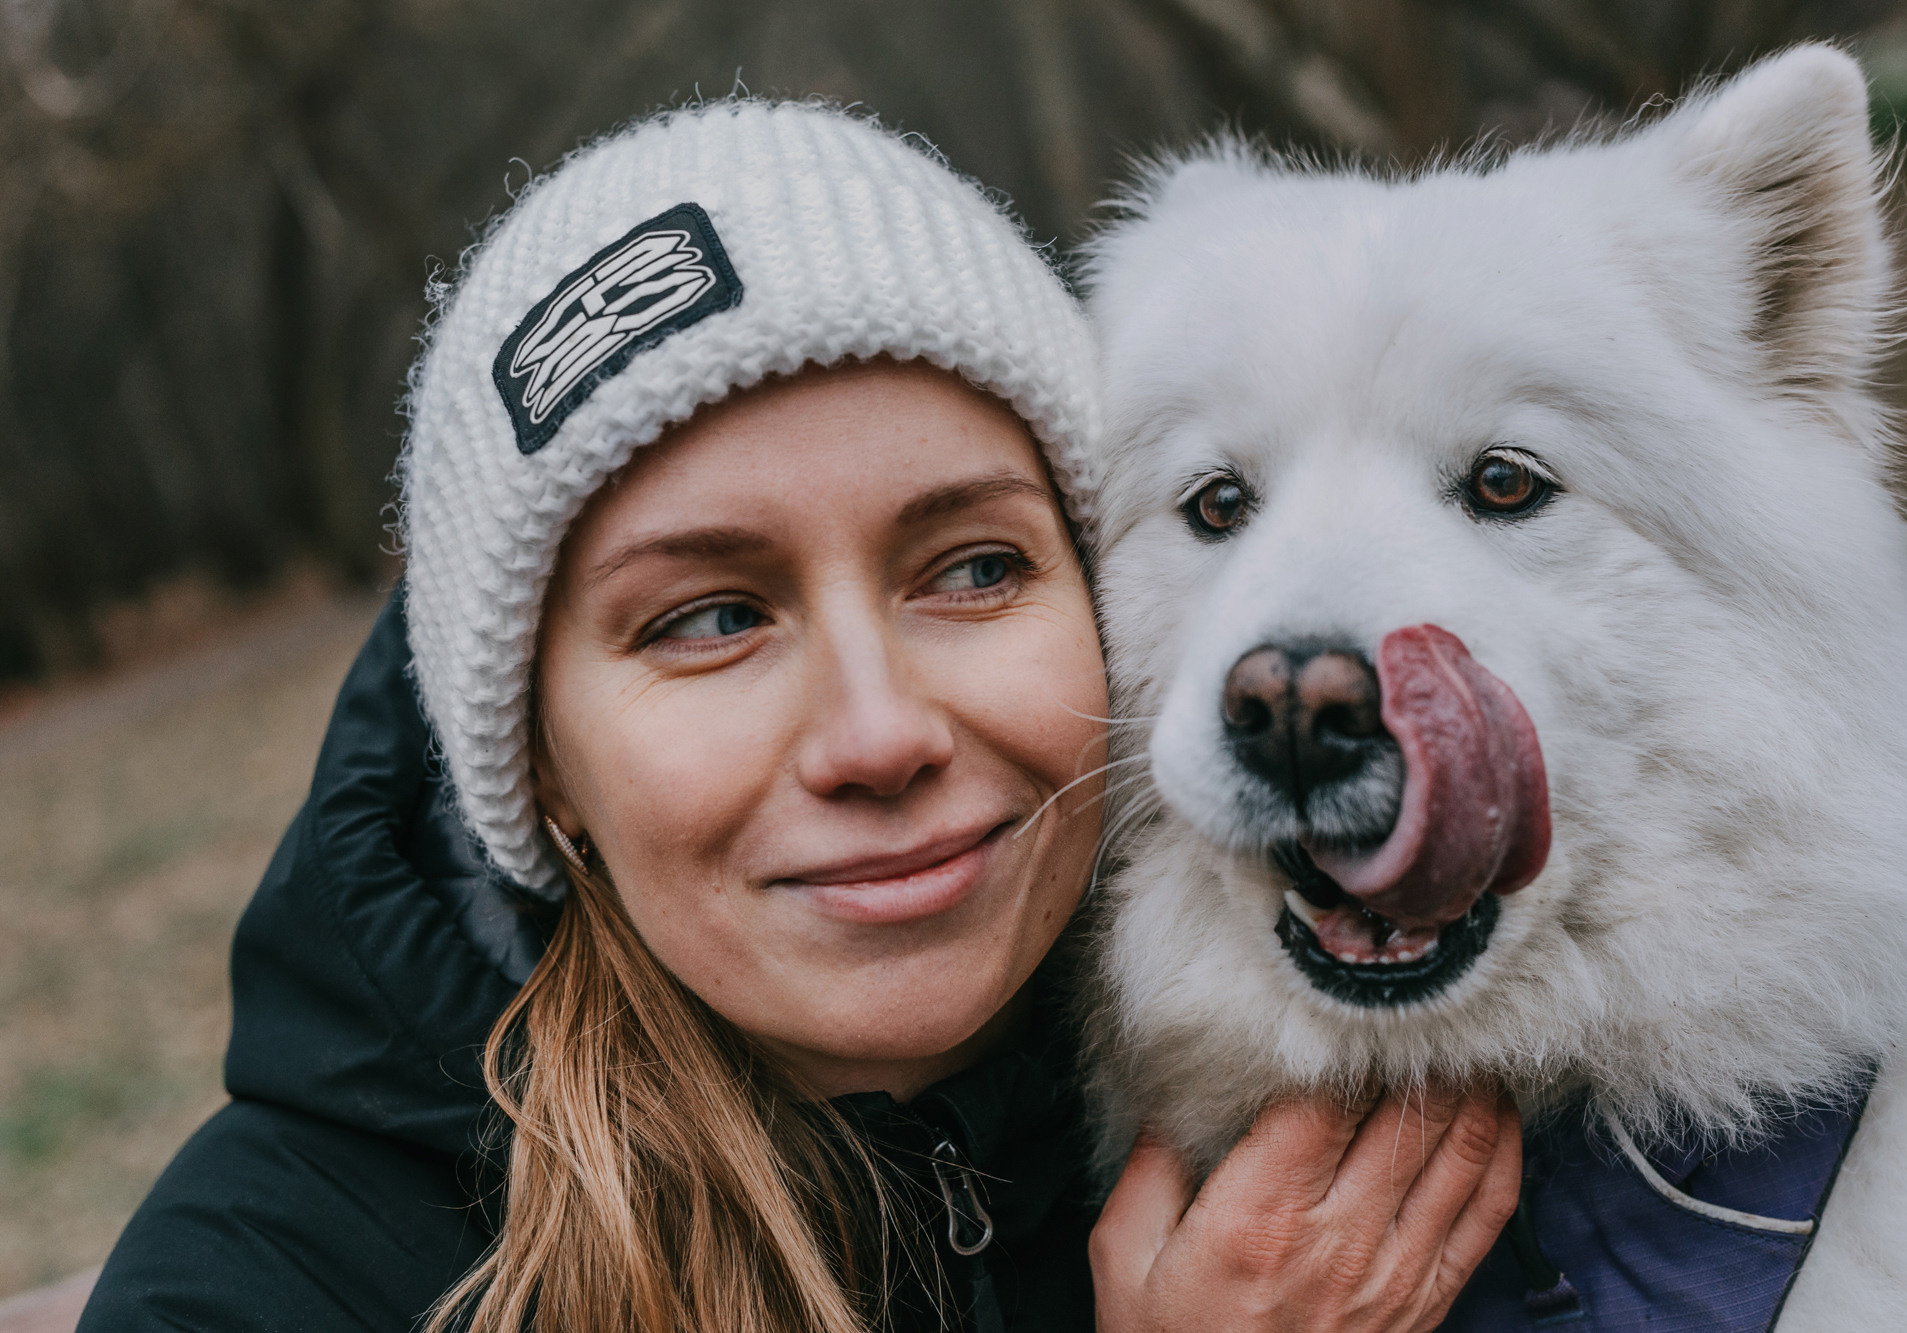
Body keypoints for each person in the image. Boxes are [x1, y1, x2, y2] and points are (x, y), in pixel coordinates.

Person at [77, 101, 1519, 1333]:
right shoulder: (268, 1283)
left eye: (973, 568)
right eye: (711, 617)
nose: (879, 732)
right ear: (536, 760)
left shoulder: (1302, 1057)